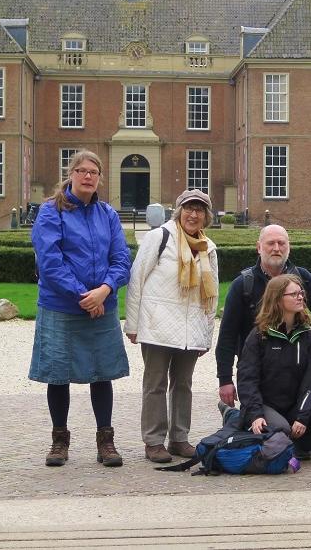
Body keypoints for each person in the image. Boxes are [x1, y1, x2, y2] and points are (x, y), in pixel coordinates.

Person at [29, 150, 131, 468]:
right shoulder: (50, 212)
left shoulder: (108, 215)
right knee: (58, 375)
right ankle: (59, 441)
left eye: (93, 172)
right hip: (61, 307)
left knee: (103, 374)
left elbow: (122, 259)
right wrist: (83, 297)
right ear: (70, 174)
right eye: (81, 170)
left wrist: (104, 291)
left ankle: (106, 441)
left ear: (100, 178)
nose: (88, 176)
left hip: (101, 305)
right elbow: (50, 262)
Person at [215, 225, 311, 457]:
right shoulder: (244, 284)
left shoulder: (301, 279)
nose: (276, 248)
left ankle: (310, 431)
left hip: (294, 363)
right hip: (259, 365)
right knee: (278, 425)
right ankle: (246, 418)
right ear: (258, 247)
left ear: (289, 247)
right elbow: (227, 336)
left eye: (281, 243)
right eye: (270, 243)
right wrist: (225, 379)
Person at [125, 189, 219, 463]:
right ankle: (154, 441)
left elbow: (210, 298)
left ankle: (179, 438)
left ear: (206, 216)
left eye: (199, 210)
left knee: (183, 385)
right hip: (157, 326)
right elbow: (136, 281)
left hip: (191, 331)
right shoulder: (159, 237)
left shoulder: (208, 247)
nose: (193, 214)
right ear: (178, 212)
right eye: (189, 208)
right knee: (155, 384)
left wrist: (206, 335)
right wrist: (133, 324)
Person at [236, 274, 311, 460]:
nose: (300, 297)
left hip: (293, 405)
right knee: (281, 428)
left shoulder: (307, 336)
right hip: (266, 405)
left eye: (301, 293)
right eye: (293, 294)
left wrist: (302, 416)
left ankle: (297, 448)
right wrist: (256, 414)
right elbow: (247, 379)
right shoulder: (259, 336)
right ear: (277, 299)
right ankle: (238, 420)